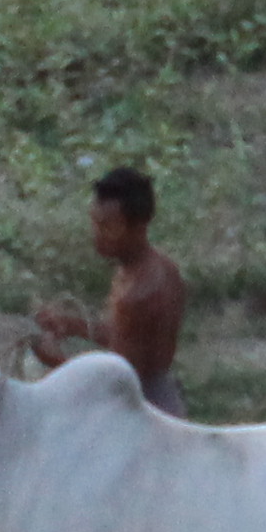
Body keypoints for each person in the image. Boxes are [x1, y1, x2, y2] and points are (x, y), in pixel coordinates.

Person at [34, 162, 191, 417]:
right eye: (96, 223)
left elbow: (116, 382)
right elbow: (128, 335)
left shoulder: (140, 294)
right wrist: (72, 325)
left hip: (142, 415)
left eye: (109, 227)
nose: (97, 235)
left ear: (139, 226)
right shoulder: (151, 268)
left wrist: (56, 361)